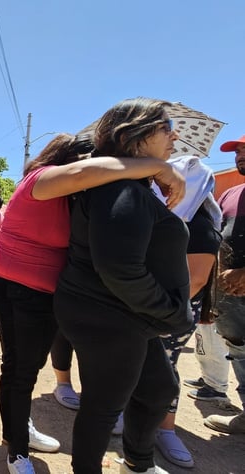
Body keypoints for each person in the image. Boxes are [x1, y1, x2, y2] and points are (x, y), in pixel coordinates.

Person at [0, 126, 186, 474]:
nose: (100, 168)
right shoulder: (42, 179)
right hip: (18, 289)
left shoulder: (81, 198)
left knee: (29, 367)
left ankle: (18, 428)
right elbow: (86, 172)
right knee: (21, 370)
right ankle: (17, 449)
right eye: (94, 160)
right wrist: (160, 167)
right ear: (71, 159)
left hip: (49, 292)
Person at [54, 98, 193, 474]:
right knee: (103, 407)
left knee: (158, 389)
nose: (174, 135)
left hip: (129, 317)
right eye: (165, 127)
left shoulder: (130, 185)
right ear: (136, 134)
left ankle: (137, 462)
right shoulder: (122, 191)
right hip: (111, 318)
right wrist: (171, 311)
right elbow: (120, 269)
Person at [150, 155, 222, 469]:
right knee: (138, 362)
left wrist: (155, 311)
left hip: (172, 311)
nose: (166, 190)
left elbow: (195, 280)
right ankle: (131, 416)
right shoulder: (167, 217)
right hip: (149, 305)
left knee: (165, 366)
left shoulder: (199, 224)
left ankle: (166, 429)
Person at [204, 134, 245, 434]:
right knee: (239, 351)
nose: (239, 156)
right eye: (238, 151)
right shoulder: (230, 194)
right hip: (230, 296)